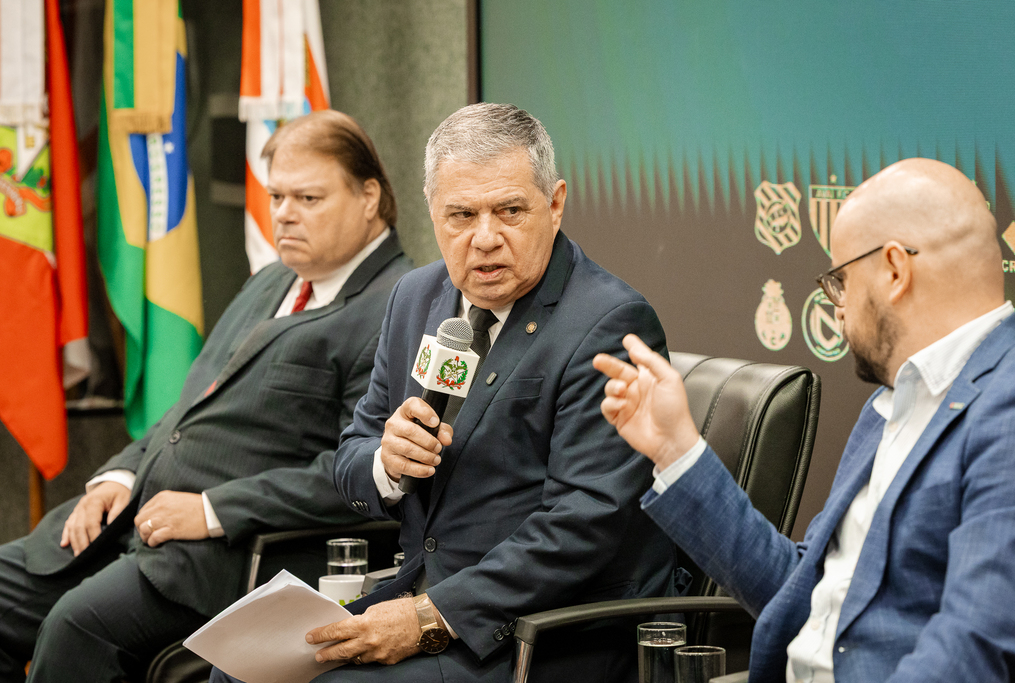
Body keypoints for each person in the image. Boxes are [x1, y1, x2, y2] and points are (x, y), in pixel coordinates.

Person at [210, 103, 677, 683]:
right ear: (433, 213)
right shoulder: (415, 296)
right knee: (239, 670)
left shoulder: (607, 321)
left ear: (554, 205)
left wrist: (428, 617)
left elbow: (583, 522)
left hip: (538, 631)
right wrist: (386, 463)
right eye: (460, 215)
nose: (484, 238)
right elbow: (353, 450)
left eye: (509, 211)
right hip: (413, 594)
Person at [0, 109, 414, 683]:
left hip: (228, 553)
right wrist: (117, 476)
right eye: (276, 197)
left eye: (308, 199)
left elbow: (360, 472)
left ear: (369, 197)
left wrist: (213, 511)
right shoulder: (273, 279)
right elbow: (191, 406)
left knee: (75, 629)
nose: (284, 216)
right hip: (133, 515)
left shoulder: (399, 305)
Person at [595, 158, 1015, 682]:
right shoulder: (891, 403)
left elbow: (975, 649)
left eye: (841, 281)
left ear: (894, 270)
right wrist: (676, 450)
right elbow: (802, 593)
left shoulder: (1012, 405)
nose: (837, 310)